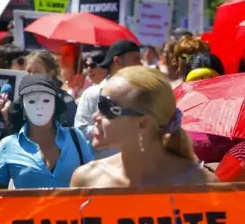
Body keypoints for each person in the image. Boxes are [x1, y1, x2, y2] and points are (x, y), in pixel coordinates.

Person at [70, 66, 218, 188]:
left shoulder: (201, 184)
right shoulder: (86, 180)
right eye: (98, 104)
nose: (95, 117)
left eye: (107, 108)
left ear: (143, 124)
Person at [0, 75, 93, 189]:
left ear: (55, 106)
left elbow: (92, 182)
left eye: (46, 100)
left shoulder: (76, 137)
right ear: (23, 109)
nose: (39, 107)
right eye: (32, 101)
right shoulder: (7, 145)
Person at [74, 40, 142, 159]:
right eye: (136, 59)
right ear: (117, 61)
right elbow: (80, 131)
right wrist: (105, 127)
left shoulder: (140, 93)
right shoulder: (92, 94)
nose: (141, 64)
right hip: (101, 166)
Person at [24, 50, 77, 127]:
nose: (31, 76)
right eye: (28, 71)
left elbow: (68, 131)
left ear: (50, 73)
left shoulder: (65, 100)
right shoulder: (22, 99)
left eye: (37, 71)